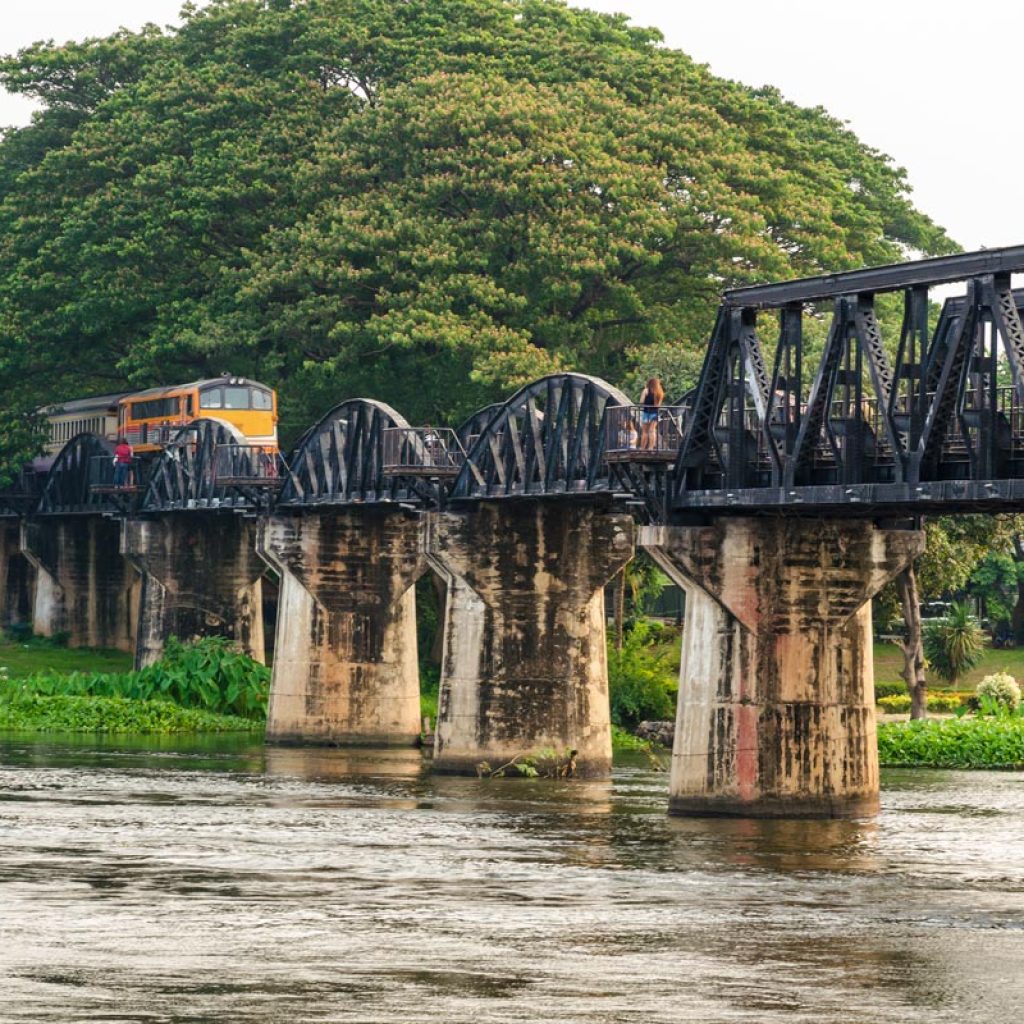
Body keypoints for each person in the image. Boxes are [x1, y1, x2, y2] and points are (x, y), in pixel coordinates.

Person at [638, 377, 664, 450]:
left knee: (645, 431)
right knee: (652, 431)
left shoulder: (646, 390)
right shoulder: (660, 392)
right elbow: (658, 405)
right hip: (655, 413)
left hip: (646, 412)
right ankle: (651, 448)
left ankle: (642, 448)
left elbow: (641, 402)